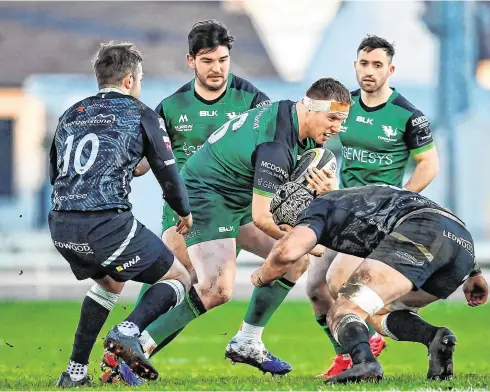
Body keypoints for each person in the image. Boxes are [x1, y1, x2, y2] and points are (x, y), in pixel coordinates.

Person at [138, 78, 351, 375]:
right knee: (216, 288)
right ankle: (136, 347)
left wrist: (328, 193)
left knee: (294, 260)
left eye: (342, 121)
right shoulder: (277, 143)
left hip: (235, 200)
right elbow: (264, 217)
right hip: (206, 196)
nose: (336, 128)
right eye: (332, 118)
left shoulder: (293, 120)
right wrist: (301, 238)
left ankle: (247, 341)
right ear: (309, 108)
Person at [48, 41, 192, 387]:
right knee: (180, 278)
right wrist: (183, 212)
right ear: (129, 80)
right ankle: (127, 332)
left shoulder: (73, 113)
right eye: (139, 79)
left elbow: (56, 172)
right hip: (105, 223)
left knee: (110, 283)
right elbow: (168, 175)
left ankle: (75, 373)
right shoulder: (142, 113)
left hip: (61, 225)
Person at [251, 181, 488, 383]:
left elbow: (286, 253)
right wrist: (474, 271)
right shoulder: (352, 196)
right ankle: (435, 338)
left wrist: (261, 276)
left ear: (288, 224)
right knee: (379, 311)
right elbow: (437, 215)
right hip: (461, 247)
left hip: (421, 232)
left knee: (342, 310)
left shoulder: (315, 209)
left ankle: (365, 364)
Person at [133, 20, 271, 359]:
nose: (217, 69)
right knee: (176, 282)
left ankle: (249, 337)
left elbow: (274, 151)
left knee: (293, 254)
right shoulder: (171, 107)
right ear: (190, 60)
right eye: (207, 61)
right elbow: (143, 163)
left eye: (223, 60)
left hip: (237, 210)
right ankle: (129, 341)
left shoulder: (254, 100)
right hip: (187, 211)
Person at [306, 35, 440, 378]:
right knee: (316, 289)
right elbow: (316, 137)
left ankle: (364, 346)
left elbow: (428, 164)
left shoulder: (408, 115)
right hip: (339, 208)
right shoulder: (344, 105)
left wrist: (400, 200)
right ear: (355, 66)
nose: (369, 71)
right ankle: (346, 353)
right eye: (364, 64)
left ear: (390, 69)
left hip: (376, 217)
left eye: (377, 65)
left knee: (340, 282)